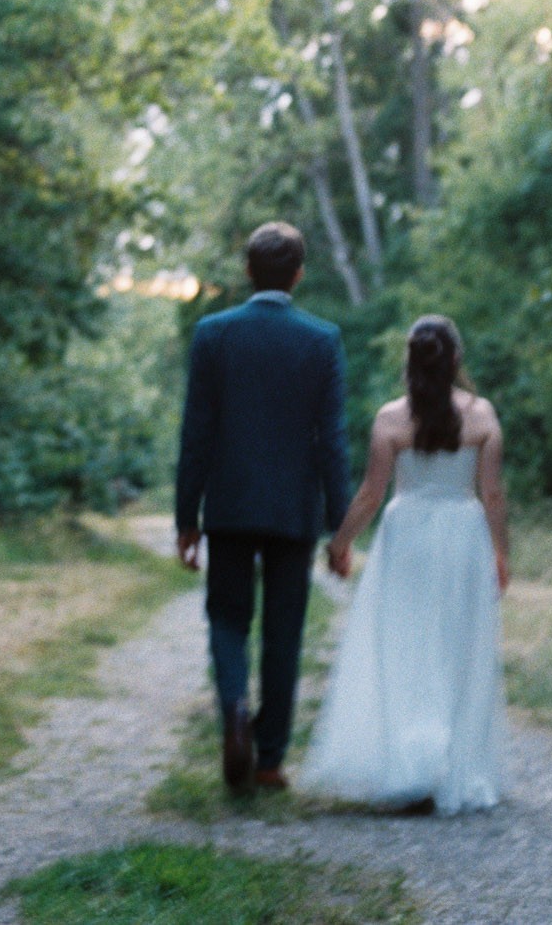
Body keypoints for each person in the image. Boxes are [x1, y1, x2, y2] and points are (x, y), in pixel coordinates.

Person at [298, 314, 509, 815]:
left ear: (410, 361)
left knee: (405, 645)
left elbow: (372, 492)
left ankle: (406, 763)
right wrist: (502, 552)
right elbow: (493, 492)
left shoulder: (391, 418)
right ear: (456, 359)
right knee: (456, 647)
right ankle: (452, 766)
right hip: (462, 535)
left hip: (408, 535)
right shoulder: (482, 416)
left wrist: (341, 542)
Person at [175, 221, 351, 792]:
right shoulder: (321, 340)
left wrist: (186, 518)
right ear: (298, 275)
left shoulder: (213, 334)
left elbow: (196, 433)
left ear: (248, 271)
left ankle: (232, 708)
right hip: (293, 511)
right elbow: (333, 438)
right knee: (283, 630)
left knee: (227, 617)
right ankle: (270, 758)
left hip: (228, 505)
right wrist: (339, 527)